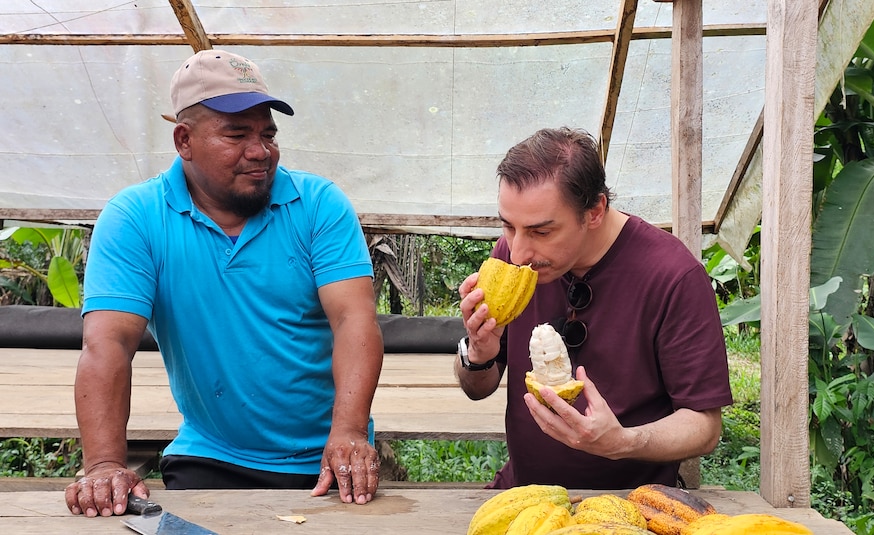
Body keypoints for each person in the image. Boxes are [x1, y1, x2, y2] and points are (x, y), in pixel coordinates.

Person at [65, 49, 384, 517]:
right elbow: (107, 343)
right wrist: (105, 464)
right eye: (236, 134)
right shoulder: (136, 218)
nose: (260, 151)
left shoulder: (318, 205)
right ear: (184, 140)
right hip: (211, 453)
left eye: (268, 134)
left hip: (329, 454)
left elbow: (354, 319)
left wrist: (351, 434)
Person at [456, 127, 733, 489]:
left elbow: (705, 426)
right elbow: (478, 388)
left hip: (631, 508)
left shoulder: (673, 277)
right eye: (508, 226)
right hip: (525, 496)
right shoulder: (509, 255)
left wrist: (622, 442)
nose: (519, 252)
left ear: (595, 211)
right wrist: (479, 354)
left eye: (541, 232)